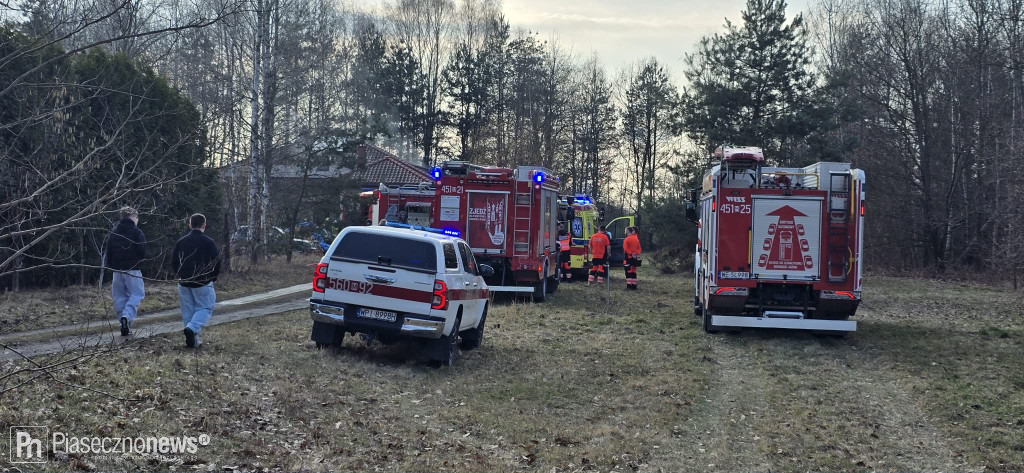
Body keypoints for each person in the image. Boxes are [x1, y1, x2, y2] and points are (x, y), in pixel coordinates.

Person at [172, 213, 221, 348]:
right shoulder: (209, 242)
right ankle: (192, 329)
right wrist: (213, 277)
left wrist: (180, 274)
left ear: (190, 225)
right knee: (205, 307)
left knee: (188, 311)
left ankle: (193, 341)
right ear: (204, 225)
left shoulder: (180, 242)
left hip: (184, 281)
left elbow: (174, 261)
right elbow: (217, 262)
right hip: (202, 281)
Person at [105, 206, 147, 336]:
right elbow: (142, 251)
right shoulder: (136, 232)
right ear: (133, 217)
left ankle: (122, 322)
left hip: (117, 270)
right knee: (136, 294)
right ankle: (127, 317)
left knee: (119, 297)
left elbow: (109, 253)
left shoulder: (114, 233)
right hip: (133, 269)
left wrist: (112, 266)